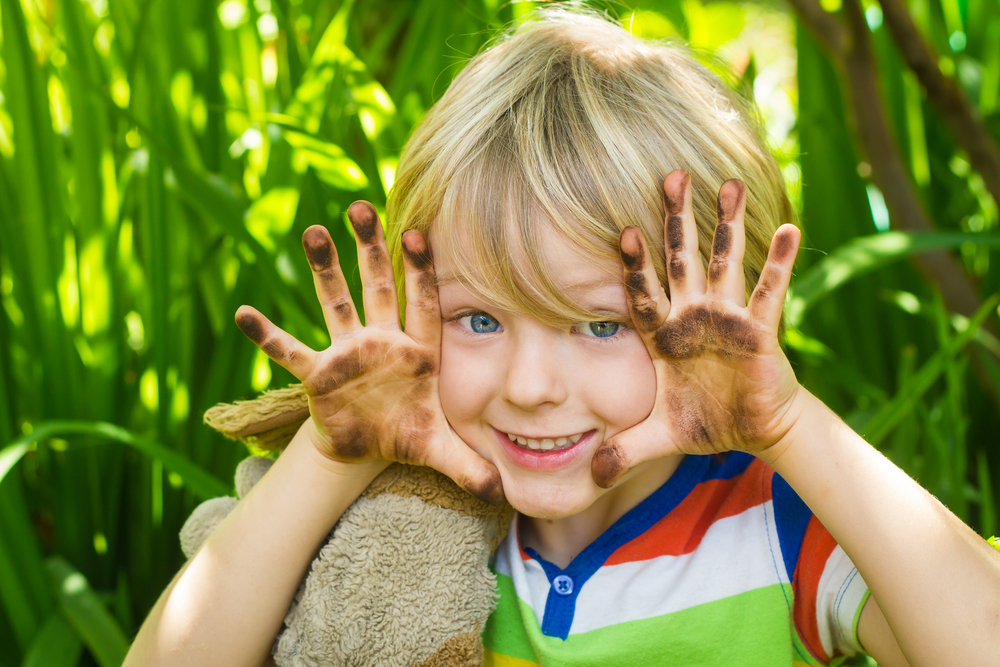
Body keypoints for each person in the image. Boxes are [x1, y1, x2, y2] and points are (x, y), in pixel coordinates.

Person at [123, 9, 1000, 667]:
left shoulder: (769, 526)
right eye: (479, 318)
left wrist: (790, 426)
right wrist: (327, 456)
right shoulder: (382, 515)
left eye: (603, 323)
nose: (532, 384)